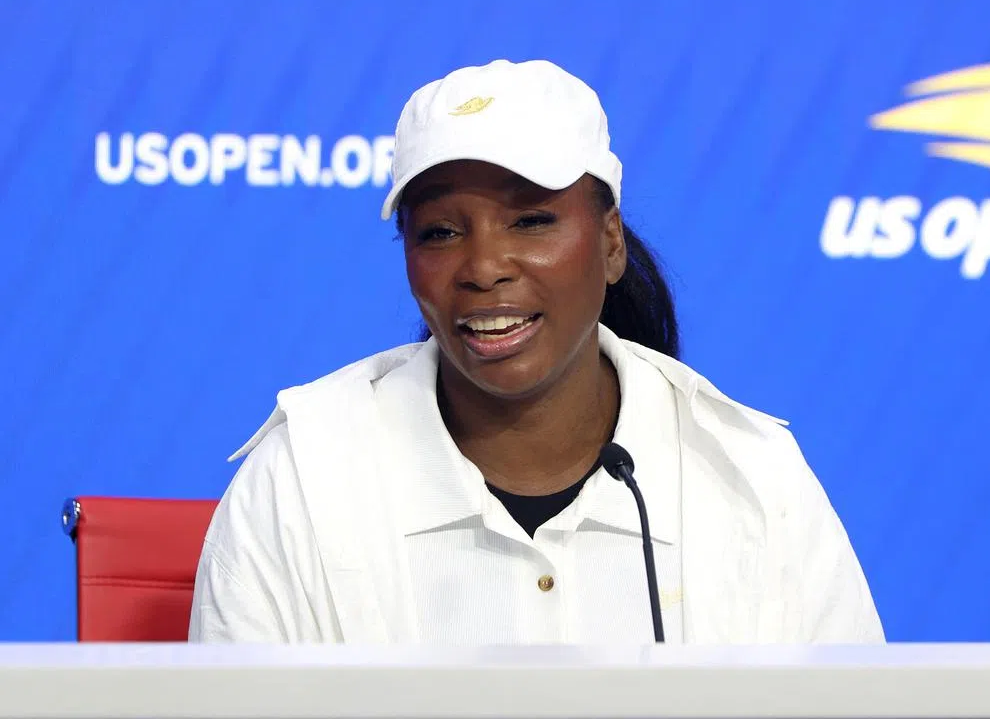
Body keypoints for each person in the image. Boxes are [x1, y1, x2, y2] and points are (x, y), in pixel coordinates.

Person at [188, 59, 884, 644]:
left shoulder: (749, 477)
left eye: (530, 220)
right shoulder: (302, 481)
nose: (484, 266)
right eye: (438, 233)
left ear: (609, 241)